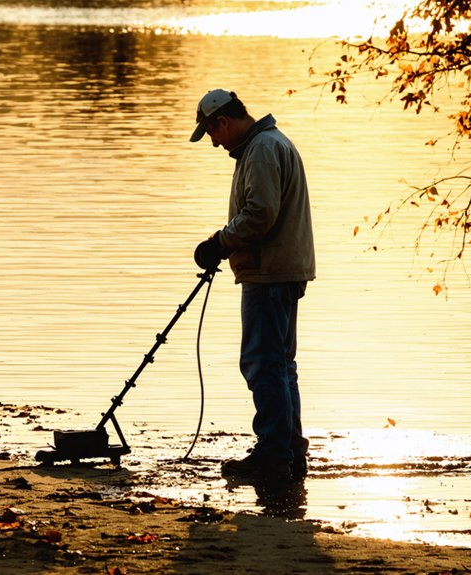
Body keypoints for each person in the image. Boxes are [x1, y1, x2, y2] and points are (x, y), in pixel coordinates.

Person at [190, 89, 315, 483]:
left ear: (223, 121)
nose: (214, 142)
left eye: (212, 133)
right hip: (282, 268)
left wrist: (220, 242)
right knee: (281, 365)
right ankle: (289, 452)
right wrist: (225, 244)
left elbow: (260, 214)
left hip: (269, 271)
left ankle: (273, 455)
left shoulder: (261, 150)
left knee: (262, 363)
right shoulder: (269, 143)